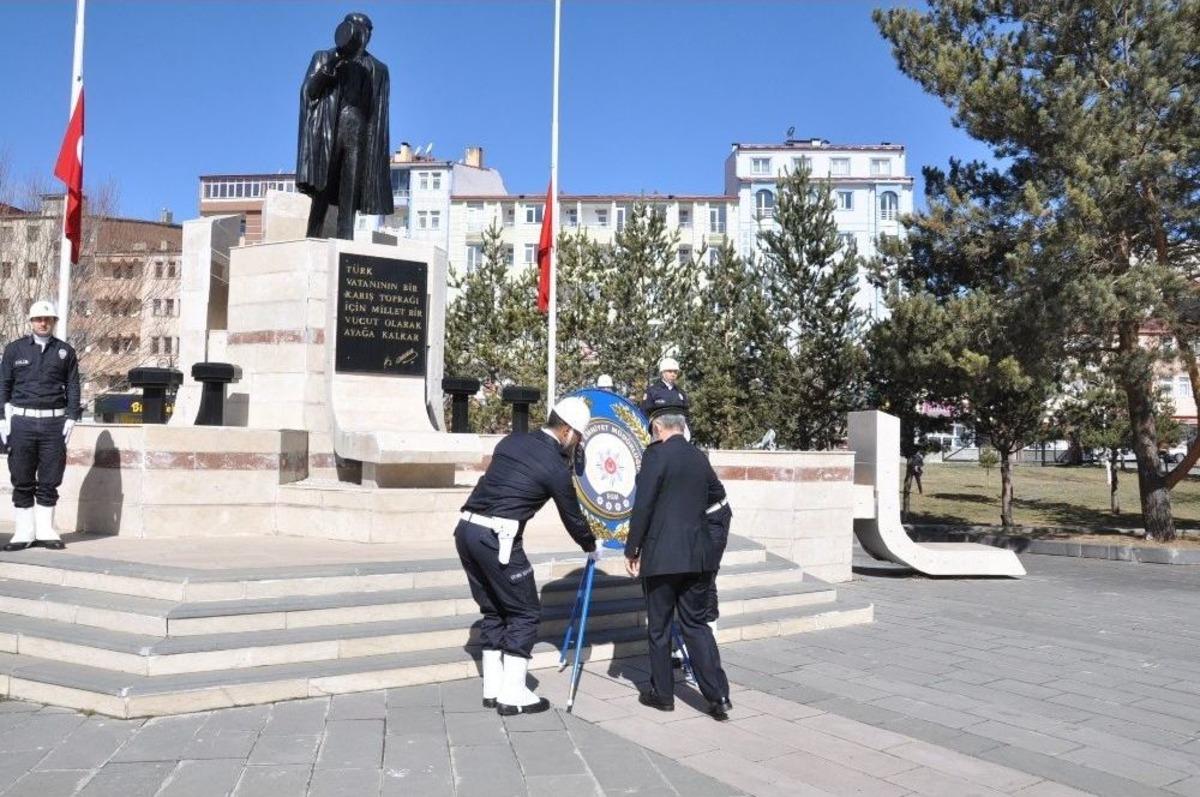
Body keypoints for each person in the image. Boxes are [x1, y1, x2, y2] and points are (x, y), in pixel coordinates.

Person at [455, 396, 598, 715]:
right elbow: (572, 517)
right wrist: (591, 545)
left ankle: (493, 688)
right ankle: (513, 693)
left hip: (465, 530)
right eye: (577, 437)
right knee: (525, 612)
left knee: (493, 609)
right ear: (567, 431)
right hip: (497, 539)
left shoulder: (511, 441)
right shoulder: (555, 467)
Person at [624, 401, 732, 721]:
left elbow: (642, 506)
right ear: (682, 426)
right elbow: (718, 500)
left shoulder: (655, 455)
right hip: (697, 555)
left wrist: (633, 549)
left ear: (657, 428)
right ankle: (718, 696)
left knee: (658, 628)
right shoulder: (699, 457)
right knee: (696, 625)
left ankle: (663, 694)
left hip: (662, 557)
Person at [296, 11, 393, 240]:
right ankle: (313, 236)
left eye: (367, 31)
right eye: (358, 30)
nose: (363, 35)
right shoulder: (325, 57)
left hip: (359, 132)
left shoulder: (378, 69)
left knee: (350, 192)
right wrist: (331, 64)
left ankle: (346, 243)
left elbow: (378, 113)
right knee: (322, 188)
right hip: (330, 129)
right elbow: (309, 92)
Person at [0, 301, 81, 551]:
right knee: (22, 477)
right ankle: (24, 532)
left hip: (53, 424)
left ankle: (46, 530)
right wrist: (2, 417)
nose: (43, 323)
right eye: (38, 319)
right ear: (31, 321)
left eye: (48, 318)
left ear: (54, 321)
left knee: (50, 478)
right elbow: (3, 384)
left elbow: (74, 386)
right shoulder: (14, 350)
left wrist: (71, 416)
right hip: (22, 422)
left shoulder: (65, 351)